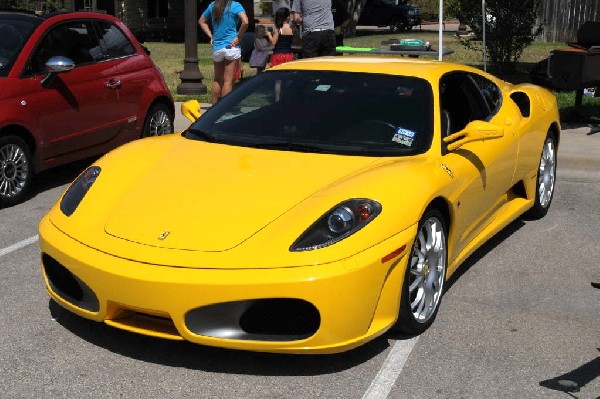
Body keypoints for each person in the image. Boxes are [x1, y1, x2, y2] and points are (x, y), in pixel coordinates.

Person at [199, 0, 248, 104]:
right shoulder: (235, 5)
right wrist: (238, 36)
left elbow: (201, 21)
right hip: (231, 46)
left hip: (217, 47)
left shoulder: (213, 5)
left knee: (217, 79)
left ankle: (213, 108)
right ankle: (224, 110)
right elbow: (245, 22)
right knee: (228, 80)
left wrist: (211, 36)